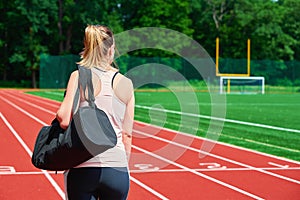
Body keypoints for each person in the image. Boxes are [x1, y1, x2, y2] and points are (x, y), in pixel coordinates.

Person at [56, 25, 135, 200]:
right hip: (117, 168)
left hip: (82, 166)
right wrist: (122, 166)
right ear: (112, 49)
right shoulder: (126, 83)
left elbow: (63, 119)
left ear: (88, 47)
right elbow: (127, 134)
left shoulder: (78, 77)